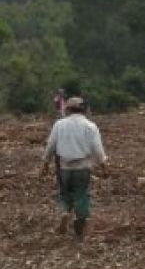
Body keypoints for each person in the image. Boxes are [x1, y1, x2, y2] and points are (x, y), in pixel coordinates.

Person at [42, 96, 107, 241]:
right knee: (82, 194)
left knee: (64, 193)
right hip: (82, 167)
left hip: (64, 166)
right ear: (84, 110)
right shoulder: (90, 126)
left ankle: (65, 212)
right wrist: (103, 165)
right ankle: (80, 223)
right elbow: (97, 148)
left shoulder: (59, 124)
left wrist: (45, 163)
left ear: (68, 110)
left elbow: (50, 145)